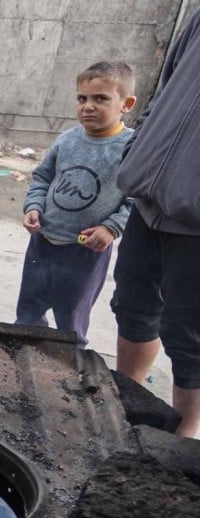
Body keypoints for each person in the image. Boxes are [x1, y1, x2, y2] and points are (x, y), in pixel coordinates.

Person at [112, 9, 200, 439]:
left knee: (190, 334)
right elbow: (165, 90)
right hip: (149, 197)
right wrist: (140, 147)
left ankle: (184, 443)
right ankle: (126, 406)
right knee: (132, 306)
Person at [15, 62, 136, 347]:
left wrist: (111, 228)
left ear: (126, 104)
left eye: (101, 99)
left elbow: (137, 198)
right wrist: (33, 207)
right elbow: (42, 178)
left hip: (85, 252)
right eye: (82, 98)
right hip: (42, 241)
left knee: (71, 320)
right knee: (28, 310)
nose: (88, 106)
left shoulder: (130, 148)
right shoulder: (67, 140)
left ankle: (70, 368)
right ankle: (21, 355)